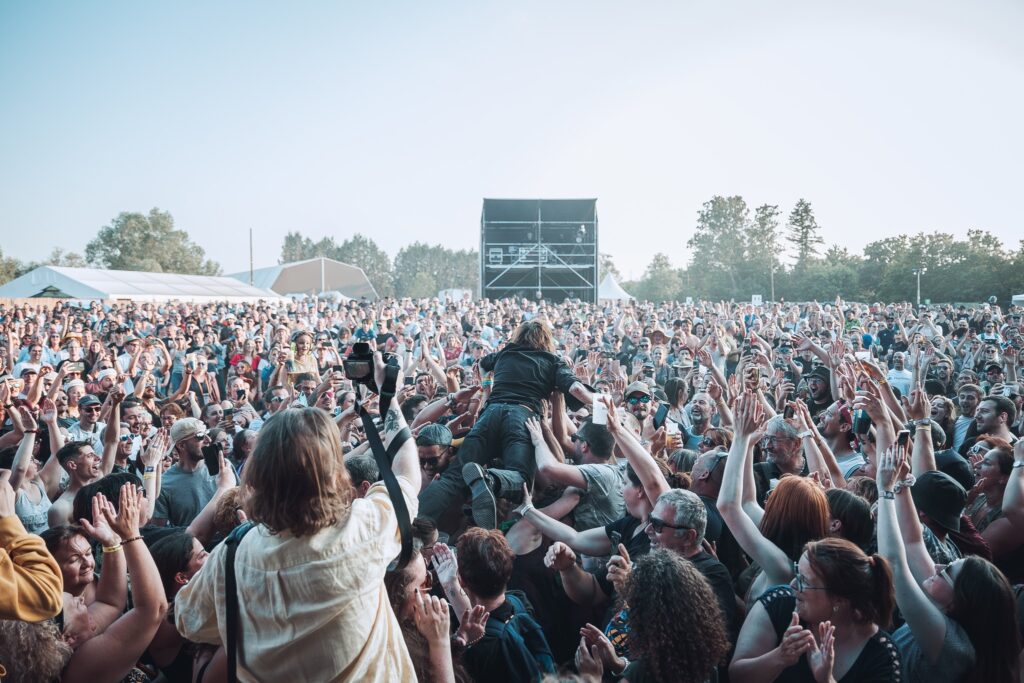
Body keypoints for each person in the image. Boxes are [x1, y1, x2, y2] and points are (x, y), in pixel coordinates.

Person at [176, 353, 422, 681]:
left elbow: (188, 620)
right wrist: (389, 399)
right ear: (336, 473)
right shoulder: (363, 529)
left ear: (258, 479)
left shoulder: (232, 557)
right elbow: (406, 474)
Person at [419, 320, 596, 530]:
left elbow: (483, 363)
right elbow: (576, 389)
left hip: (490, 413)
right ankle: (490, 479)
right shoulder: (553, 361)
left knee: (453, 476)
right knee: (521, 479)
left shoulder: (506, 353)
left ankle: (416, 525)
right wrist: (602, 402)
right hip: (522, 416)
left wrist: (487, 384)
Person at [876, 444, 1020, 683]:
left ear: (961, 600)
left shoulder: (953, 647)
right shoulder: (944, 606)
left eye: (948, 572)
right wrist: (900, 484)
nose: (938, 567)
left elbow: (896, 566)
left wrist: (885, 492)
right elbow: (912, 543)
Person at [730, 537, 900, 682]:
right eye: (797, 573)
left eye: (804, 581)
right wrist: (779, 657)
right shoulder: (778, 604)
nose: (792, 585)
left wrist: (827, 680)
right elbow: (735, 677)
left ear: (839, 599)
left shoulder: (881, 657)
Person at [577, 549, 731, 683]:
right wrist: (619, 665)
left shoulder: (644, 671)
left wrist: (591, 678)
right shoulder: (705, 662)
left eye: (633, 602)